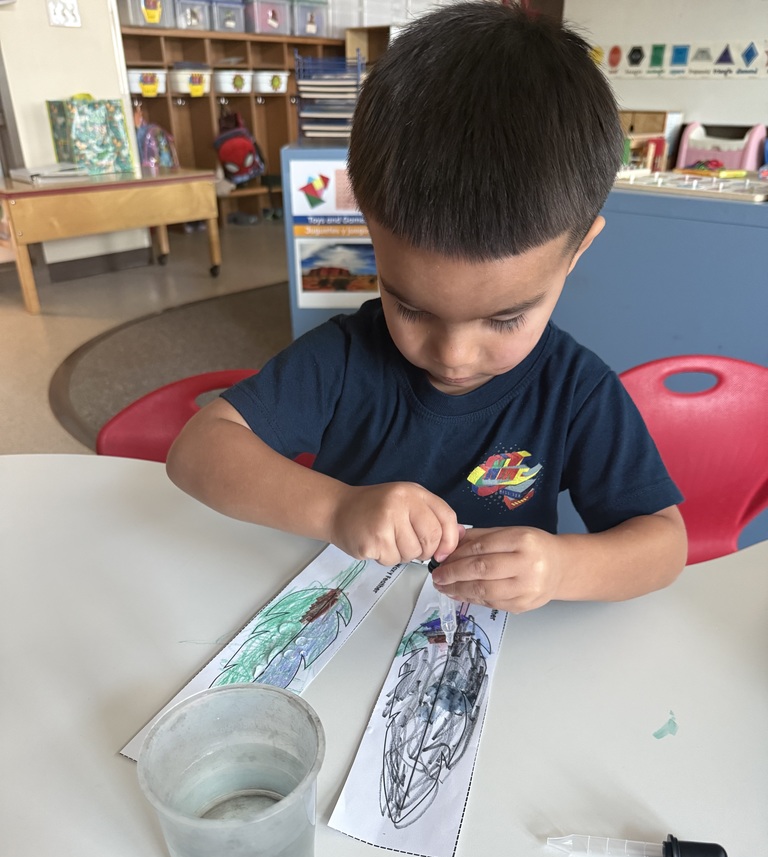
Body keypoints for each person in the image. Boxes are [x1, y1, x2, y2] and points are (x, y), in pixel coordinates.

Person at [167, 1, 687, 614]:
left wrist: (561, 566)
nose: (453, 354)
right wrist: (337, 507)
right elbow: (196, 452)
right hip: (335, 622)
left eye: (504, 318)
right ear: (368, 226)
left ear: (577, 251)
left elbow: (664, 544)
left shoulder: (576, 392)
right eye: (409, 306)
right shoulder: (344, 358)